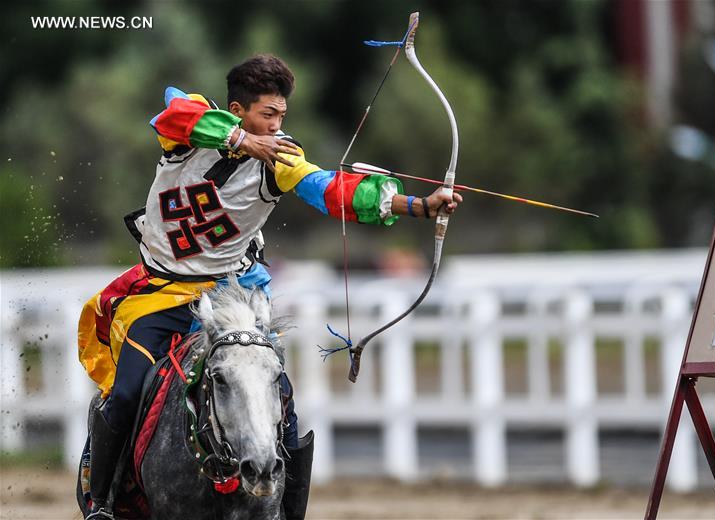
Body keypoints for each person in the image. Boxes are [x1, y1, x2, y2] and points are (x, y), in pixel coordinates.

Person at [77, 54, 462, 519]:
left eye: (282, 115)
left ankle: (289, 511)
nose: (279, 127)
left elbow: (333, 190)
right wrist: (240, 141)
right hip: (157, 295)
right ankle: (102, 504)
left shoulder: (280, 161)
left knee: (277, 396)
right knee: (124, 393)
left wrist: (417, 205)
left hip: (227, 297)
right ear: (237, 110)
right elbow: (172, 110)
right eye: (268, 115)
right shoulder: (190, 127)